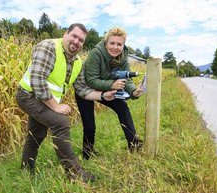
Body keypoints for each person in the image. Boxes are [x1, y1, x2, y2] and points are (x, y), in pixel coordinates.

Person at [16, 23, 116, 183]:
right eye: (74, 36)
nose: (76, 42)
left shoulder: (77, 63)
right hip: (28, 95)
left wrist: (103, 95)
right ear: (65, 34)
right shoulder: (48, 47)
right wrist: (55, 107)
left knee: (37, 134)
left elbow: (82, 89)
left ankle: (26, 171)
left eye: (81, 40)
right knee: (61, 122)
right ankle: (74, 174)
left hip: (42, 99)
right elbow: (37, 80)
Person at [75, 27, 144, 160]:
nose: (115, 47)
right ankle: (87, 153)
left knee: (122, 107)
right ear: (106, 43)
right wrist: (111, 85)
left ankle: (134, 144)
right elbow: (91, 80)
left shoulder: (123, 56)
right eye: (112, 43)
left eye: (119, 44)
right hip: (85, 89)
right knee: (90, 124)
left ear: (123, 45)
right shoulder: (96, 54)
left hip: (106, 87)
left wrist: (133, 91)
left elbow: (126, 77)